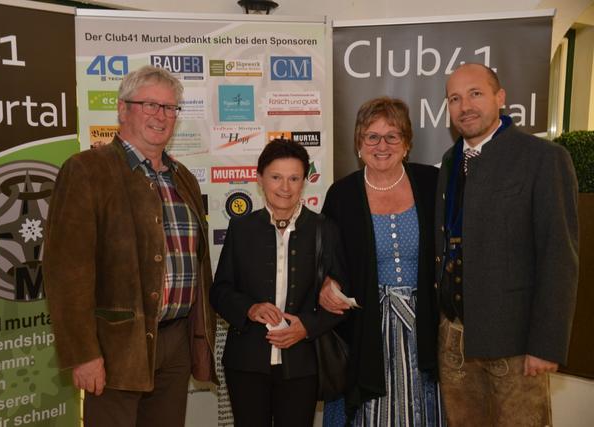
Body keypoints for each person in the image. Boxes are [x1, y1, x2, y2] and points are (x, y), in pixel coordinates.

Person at [43, 65, 216, 427]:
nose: (161, 116)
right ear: (123, 109)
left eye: (170, 108)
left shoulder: (181, 176)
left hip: (175, 343)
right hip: (115, 347)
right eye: (150, 105)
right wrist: (84, 354)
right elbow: (66, 273)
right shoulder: (87, 170)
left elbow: (197, 265)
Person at [436, 63, 579, 426]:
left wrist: (545, 345)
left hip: (516, 349)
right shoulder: (450, 162)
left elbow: (559, 257)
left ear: (500, 97)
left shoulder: (543, 158)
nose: (465, 105)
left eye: (475, 93)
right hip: (456, 344)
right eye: (455, 98)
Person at [320, 97, 444, 426]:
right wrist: (327, 284)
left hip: (426, 329)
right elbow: (326, 260)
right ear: (359, 144)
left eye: (392, 136)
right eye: (371, 136)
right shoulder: (342, 194)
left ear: (407, 144)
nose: (381, 145)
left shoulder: (432, 183)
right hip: (366, 330)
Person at [210, 139, 346, 427]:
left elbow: (340, 299)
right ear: (260, 179)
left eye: (294, 178)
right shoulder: (241, 228)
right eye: (276, 177)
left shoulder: (325, 229)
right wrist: (249, 308)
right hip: (246, 363)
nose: (285, 187)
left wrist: (306, 326)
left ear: (304, 182)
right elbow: (220, 291)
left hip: (302, 364)